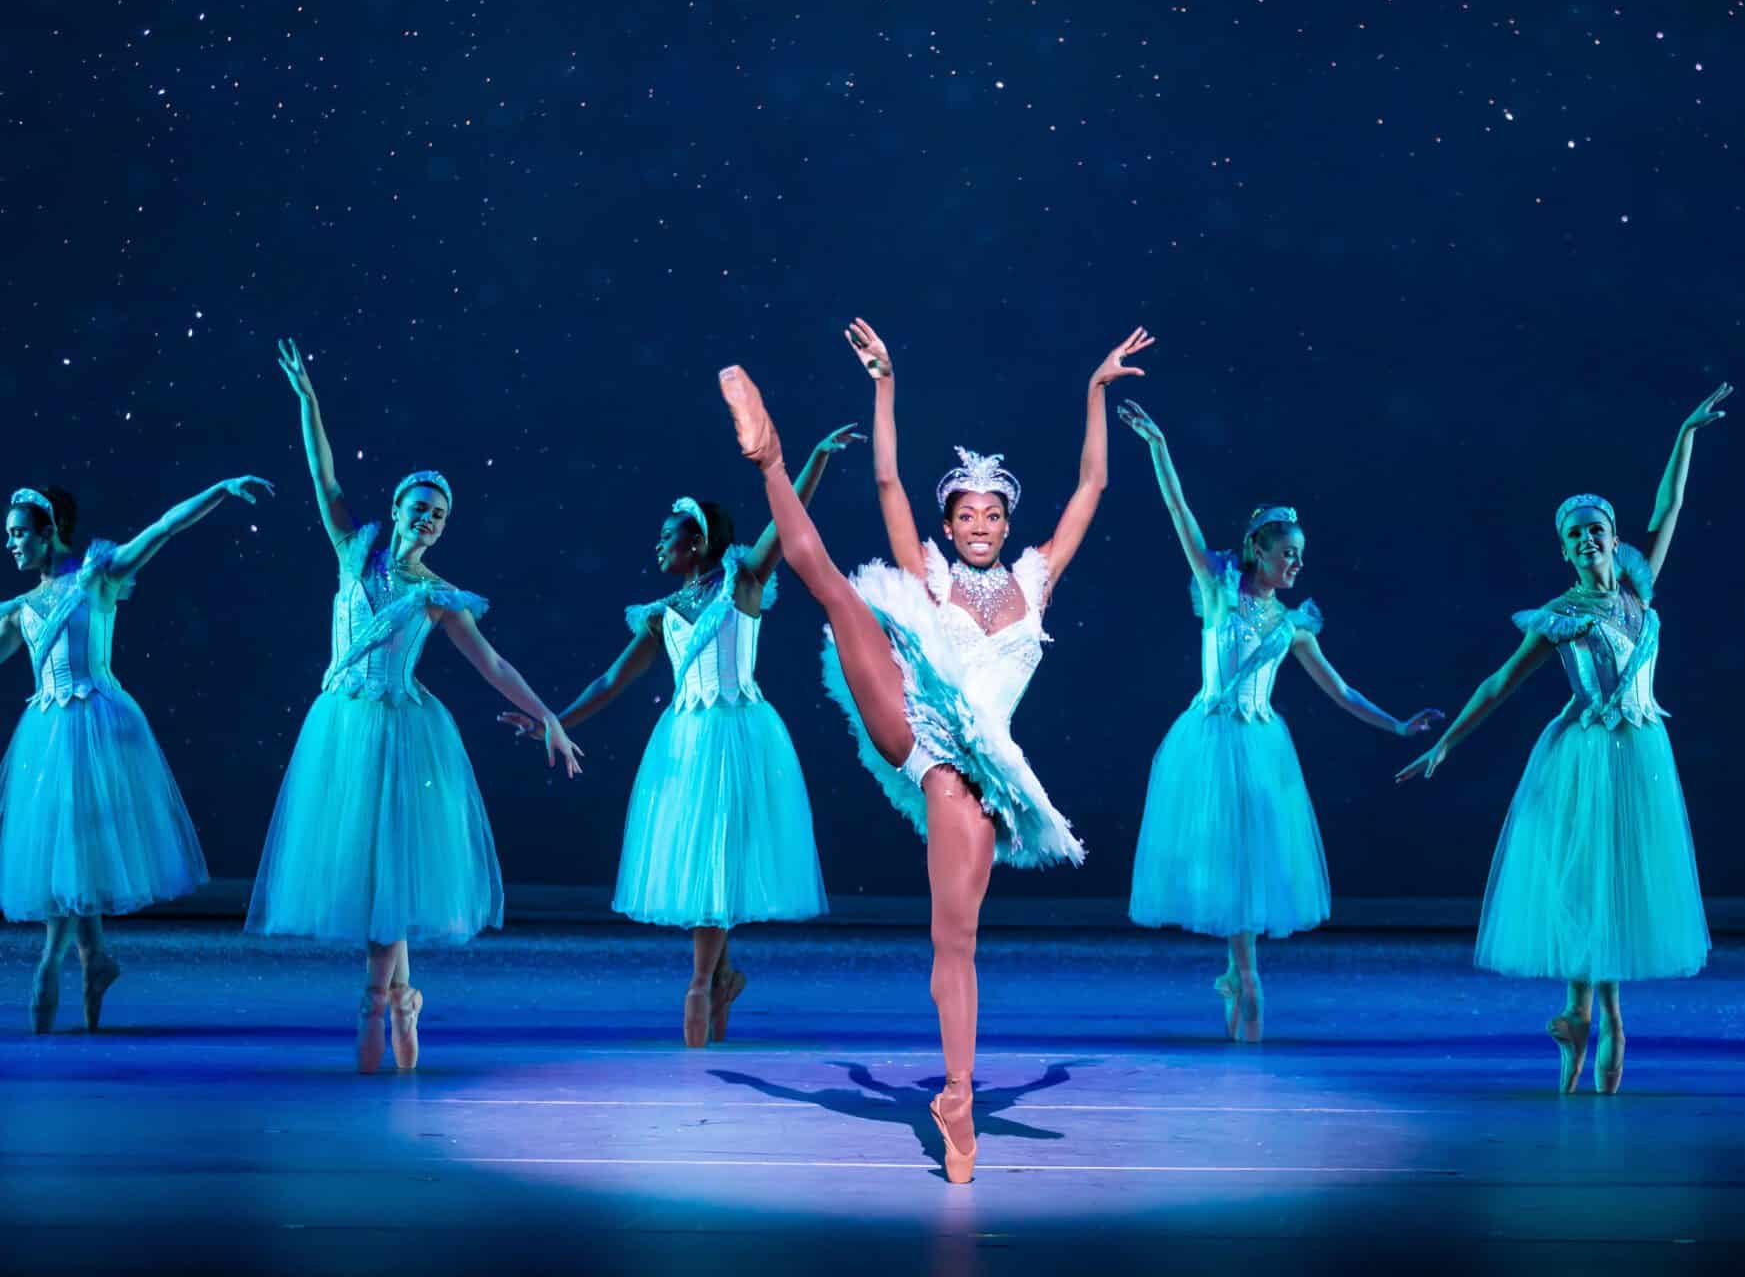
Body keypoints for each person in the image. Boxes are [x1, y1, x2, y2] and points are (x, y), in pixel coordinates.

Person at [715, 319, 1152, 1183]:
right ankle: (767, 456)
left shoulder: (1034, 582)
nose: (981, 524)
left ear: (1006, 523)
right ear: (949, 525)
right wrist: (883, 384)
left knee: (956, 942)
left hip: (976, 777)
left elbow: (1093, 485)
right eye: (966, 514)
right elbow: (885, 477)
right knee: (837, 593)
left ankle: (957, 1093)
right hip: (913, 720)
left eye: (993, 514)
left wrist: (1096, 389)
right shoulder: (934, 575)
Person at [247, 339, 584, 1072]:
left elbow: (492, 663)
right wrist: (310, 403)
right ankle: (399, 1001)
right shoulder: (352, 552)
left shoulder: (436, 597)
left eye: (439, 515)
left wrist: (551, 716)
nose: (428, 520)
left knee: (388, 871)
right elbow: (321, 473)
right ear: (397, 508)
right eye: (420, 508)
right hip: (343, 725)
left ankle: (377, 1005)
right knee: (372, 873)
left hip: (403, 731)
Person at [1397, 385, 1731, 1093]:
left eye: (1596, 531)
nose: (1586, 542)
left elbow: (1669, 509)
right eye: (1574, 536)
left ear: (1614, 541)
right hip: (1581, 758)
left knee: (1625, 881)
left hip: (1639, 754)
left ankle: (1596, 1011)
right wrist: (1447, 742)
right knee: (1583, 880)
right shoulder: (1561, 615)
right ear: (1566, 552)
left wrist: (1685, 434)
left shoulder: (1639, 599)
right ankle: (1588, 1010)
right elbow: (1499, 683)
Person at [500, 426, 860, 1047]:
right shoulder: (659, 613)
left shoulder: (742, 579)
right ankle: (719, 979)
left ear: (696, 541)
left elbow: (786, 521)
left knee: (719, 861)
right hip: (686, 743)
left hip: (739, 732)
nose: (657, 544)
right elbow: (610, 681)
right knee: (704, 862)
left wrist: (815, 460)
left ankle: (700, 983)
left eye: (668, 535)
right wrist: (552, 720)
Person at [1117, 400, 1442, 1042]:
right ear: (1258, 551)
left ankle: (1243, 973)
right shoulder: (1218, 590)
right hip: (1211, 740)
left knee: (1251, 857)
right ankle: (1245, 975)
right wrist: (1159, 447)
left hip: (1262, 745)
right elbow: (1180, 515)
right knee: (1226, 857)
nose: (1296, 564)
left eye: (1301, 555)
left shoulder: (1294, 626)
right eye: (1287, 553)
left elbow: (1342, 691)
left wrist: (1398, 726)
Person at [1, 475, 272, 1032]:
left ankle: (58, 959)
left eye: (21, 534)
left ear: (49, 532)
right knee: (66, 845)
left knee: (75, 842)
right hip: (47, 730)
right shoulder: (21, 607)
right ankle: (92, 957)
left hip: (98, 727)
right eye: (8, 536)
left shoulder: (98, 576)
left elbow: (164, 528)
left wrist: (219, 488)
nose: (12, 545)